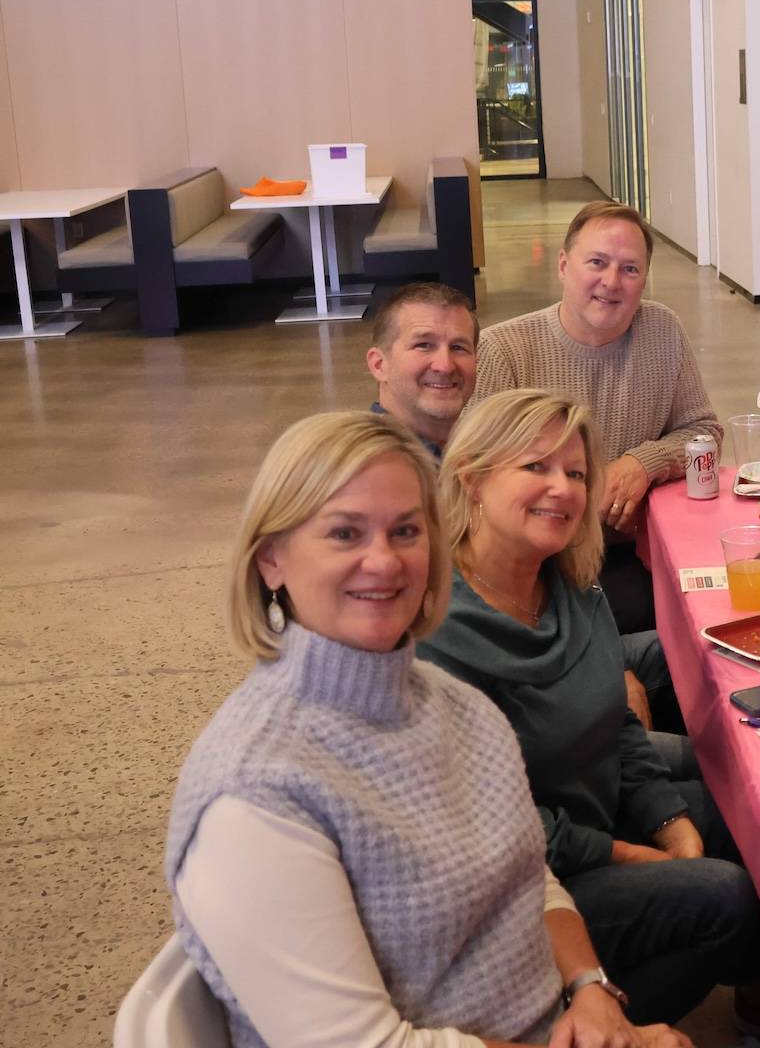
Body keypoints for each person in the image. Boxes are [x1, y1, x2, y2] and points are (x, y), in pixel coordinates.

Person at [164, 410, 682, 1048]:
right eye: (345, 533)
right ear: (270, 558)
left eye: (405, 530)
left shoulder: (451, 704)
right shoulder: (255, 793)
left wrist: (592, 990)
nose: (383, 561)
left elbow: (527, 876)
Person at [420, 389, 760, 1037]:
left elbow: (616, 720)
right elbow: (500, 831)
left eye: (575, 473)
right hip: (528, 887)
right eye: (535, 467)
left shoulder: (568, 578)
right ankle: (579, 1026)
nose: (562, 489)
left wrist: (669, 818)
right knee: (723, 895)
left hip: (598, 809)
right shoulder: (439, 633)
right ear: (472, 479)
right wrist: (635, 857)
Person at [473, 201, 720, 636]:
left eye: (630, 269)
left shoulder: (662, 331)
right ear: (564, 266)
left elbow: (705, 434)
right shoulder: (505, 350)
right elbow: (477, 478)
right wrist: (587, 491)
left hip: (634, 552)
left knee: (713, 621)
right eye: (597, 263)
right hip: (541, 565)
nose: (611, 282)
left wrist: (644, 462)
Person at [364, 282, 478, 457]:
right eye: (423, 345)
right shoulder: (361, 470)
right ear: (379, 364)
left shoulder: (487, 456)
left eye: (458, 347)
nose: (445, 366)